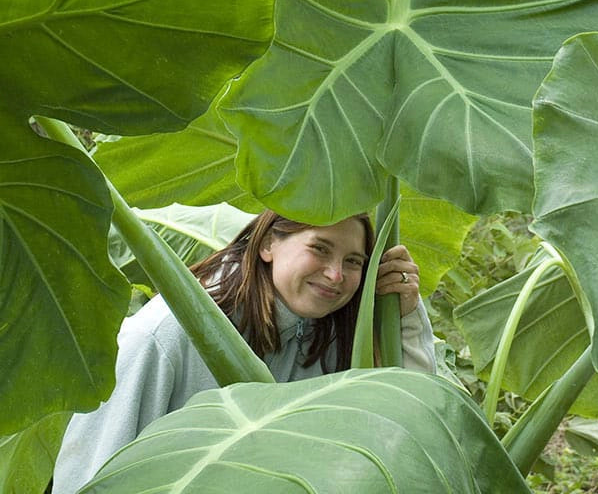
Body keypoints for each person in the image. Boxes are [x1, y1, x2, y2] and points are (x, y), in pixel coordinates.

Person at [52, 209, 435, 493]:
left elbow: (415, 437)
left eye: (353, 261)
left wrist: (403, 319)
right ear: (269, 243)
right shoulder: (167, 332)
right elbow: (92, 469)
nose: (336, 275)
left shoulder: (336, 335)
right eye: (320, 249)